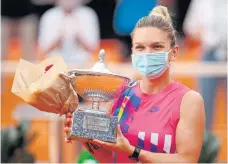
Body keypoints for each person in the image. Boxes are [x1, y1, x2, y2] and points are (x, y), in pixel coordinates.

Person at [64, 5, 205, 163]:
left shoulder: (188, 101)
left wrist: (133, 151)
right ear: (132, 52)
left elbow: (187, 160)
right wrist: (85, 137)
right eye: (140, 47)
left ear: (174, 52)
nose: (147, 54)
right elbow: (109, 158)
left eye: (156, 46)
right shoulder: (121, 95)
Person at [183, 0, 227, 130]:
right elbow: (189, 27)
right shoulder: (201, 2)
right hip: (209, 53)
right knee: (204, 103)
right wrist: (204, 35)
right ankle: (206, 145)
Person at [38, 0, 100, 65]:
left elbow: (94, 49)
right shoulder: (49, 16)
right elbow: (43, 50)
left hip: (82, 63)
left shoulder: (88, 15)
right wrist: (59, 35)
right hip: (55, 64)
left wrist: (78, 34)